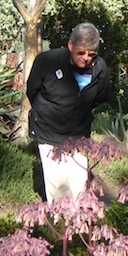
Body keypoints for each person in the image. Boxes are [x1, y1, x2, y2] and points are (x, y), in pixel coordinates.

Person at [26, 22, 110, 201]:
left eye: (91, 54)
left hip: (78, 135)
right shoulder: (47, 61)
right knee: (56, 185)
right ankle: (57, 224)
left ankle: (76, 226)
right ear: (70, 46)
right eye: (81, 52)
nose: (86, 58)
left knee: (78, 184)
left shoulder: (100, 68)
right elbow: (32, 90)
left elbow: (100, 97)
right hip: (48, 131)